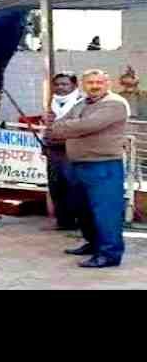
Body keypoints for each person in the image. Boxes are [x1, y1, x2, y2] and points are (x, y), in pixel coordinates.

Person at [45, 69, 130, 268]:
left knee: (105, 211)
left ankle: (109, 254)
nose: (94, 86)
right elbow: (59, 124)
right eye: (90, 82)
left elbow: (87, 125)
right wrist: (66, 126)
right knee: (83, 209)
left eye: (99, 82)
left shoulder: (114, 104)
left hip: (103, 165)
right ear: (83, 85)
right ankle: (93, 244)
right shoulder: (81, 103)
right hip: (79, 164)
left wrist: (66, 127)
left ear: (107, 83)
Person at [44, 72, 84, 231]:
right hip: (53, 149)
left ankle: (79, 221)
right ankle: (64, 221)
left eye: (65, 84)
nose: (60, 88)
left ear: (74, 85)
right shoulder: (52, 101)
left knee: (73, 185)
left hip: (72, 148)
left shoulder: (82, 102)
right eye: (57, 84)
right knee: (56, 185)